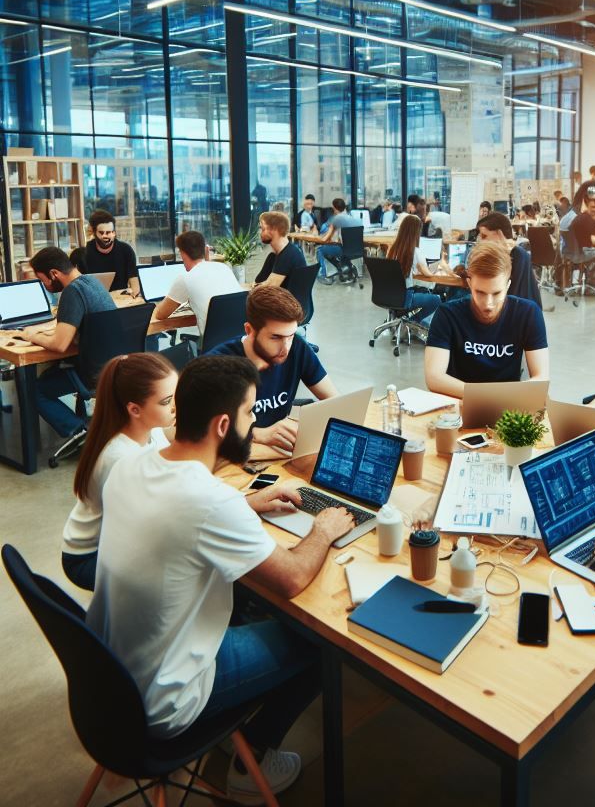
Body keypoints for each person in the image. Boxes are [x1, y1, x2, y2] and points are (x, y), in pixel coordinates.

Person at [88, 355, 355, 802]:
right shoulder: (210, 502)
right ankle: (252, 762)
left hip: (109, 676)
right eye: (250, 414)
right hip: (166, 696)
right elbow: (291, 578)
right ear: (222, 425)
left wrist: (249, 503)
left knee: (253, 607)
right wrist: (324, 528)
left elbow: (182, 516)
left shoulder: (134, 463)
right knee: (321, 642)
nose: (254, 425)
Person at [61, 353, 177, 591]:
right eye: (167, 401)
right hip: (90, 557)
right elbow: (158, 520)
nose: (177, 406)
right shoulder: (122, 458)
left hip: (117, 541)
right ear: (134, 409)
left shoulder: (146, 429)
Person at [204, 286, 338, 458]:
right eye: (275, 337)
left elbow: (334, 400)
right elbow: (204, 438)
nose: (286, 348)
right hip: (235, 456)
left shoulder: (297, 346)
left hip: (276, 453)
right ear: (249, 330)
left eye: (290, 335)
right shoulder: (216, 366)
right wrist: (259, 433)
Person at [6, 247, 117, 438]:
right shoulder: (92, 282)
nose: (45, 286)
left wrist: (30, 336)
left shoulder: (72, 292)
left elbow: (60, 345)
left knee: (34, 389)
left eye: (43, 280)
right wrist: (48, 332)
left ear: (54, 274)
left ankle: (81, 432)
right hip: (113, 365)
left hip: (93, 373)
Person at [425, 242, 548, 399]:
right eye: (480, 292)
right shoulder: (448, 314)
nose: (488, 304)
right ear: (469, 284)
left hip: (505, 406)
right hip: (460, 403)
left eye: (496, 293)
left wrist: (493, 398)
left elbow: (541, 378)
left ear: (508, 285)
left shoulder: (528, 313)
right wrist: (489, 397)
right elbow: (434, 378)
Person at [153, 230, 241, 341]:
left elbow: (161, 315)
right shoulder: (224, 268)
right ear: (205, 250)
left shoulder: (185, 278)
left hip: (215, 348)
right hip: (240, 340)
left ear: (182, 254)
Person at [386, 214, 456, 326]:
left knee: (421, 290)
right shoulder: (415, 251)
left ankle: (407, 322)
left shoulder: (391, 249)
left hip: (388, 295)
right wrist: (440, 263)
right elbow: (428, 274)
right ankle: (412, 321)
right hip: (405, 297)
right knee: (436, 300)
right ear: (416, 232)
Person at [476, 211, 543, 309]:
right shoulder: (512, 252)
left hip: (517, 316)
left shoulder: (516, 255)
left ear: (499, 234)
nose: (481, 241)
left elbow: (504, 296)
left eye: (484, 236)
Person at [81, 209, 140, 295]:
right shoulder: (85, 253)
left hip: (121, 298)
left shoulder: (126, 250)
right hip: (95, 298)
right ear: (94, 233)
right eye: (101, 233)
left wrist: (134, 293)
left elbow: (134, 282)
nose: (106, 236)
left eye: (109, 232)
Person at [312, 198, 363, 283]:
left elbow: (325, 239)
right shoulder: (353, 219)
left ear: (335, 208)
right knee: (335, 250)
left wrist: (316, 238)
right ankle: (345, 269)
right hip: (357, 251)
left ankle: (325, 276)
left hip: (343, 250)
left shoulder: (336, 219)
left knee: (320, 249)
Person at [253, 211, 306, 288]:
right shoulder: (280, 254)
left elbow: (268, 290)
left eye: (262, 228)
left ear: (274, 229)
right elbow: (258, 281)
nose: (260, 232)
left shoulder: (287, 256)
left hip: (284, 299)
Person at [569, 195, 595, 288]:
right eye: (593, 207)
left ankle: (593, 279)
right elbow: (594, 240)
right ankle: (592, 283)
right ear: (587, 206)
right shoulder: (586, 219)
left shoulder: (585, 217)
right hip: (580, 252)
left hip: (574, 250)